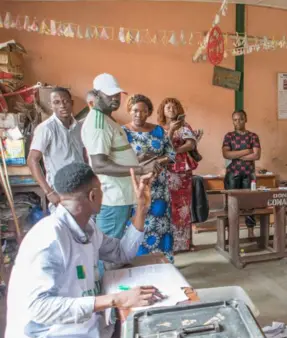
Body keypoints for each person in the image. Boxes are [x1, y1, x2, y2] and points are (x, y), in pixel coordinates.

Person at [4, 163, 163, 338]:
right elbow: (39, 308)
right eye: (101, 190)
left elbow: (122, 253)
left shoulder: (87, 228)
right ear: (92, 196)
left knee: (146, 332)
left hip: (82, 326)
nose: (104, 196)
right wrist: (115, 299)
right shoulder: (49, 238)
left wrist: (141, 209)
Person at [81, 73, 162, 240]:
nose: (115, 98)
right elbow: (99, 165)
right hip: (113, 198)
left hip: (121, 196)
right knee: (108, 248)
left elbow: (114, 156)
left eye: (117, 94)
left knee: (115, 246)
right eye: (109, 94)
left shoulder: (107, 119)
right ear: (96, 96)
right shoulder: (99, 123)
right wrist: (141, 169)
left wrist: (138, 157)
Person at [123, 94, 176, 261]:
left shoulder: (159, 131)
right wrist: (141, 162)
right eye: (135, 111)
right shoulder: (122, 132)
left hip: (159, 187)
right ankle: (138, 262)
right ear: (129, 111)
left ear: (149, 112)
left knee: (161, 223)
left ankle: (164, 262)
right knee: (138, 223)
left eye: (143, 111)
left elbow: (172, 154)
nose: (139, 114)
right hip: (136, 187)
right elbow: (120, 160)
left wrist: (158, 161)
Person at [27, 87, 85, 212]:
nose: (62, 106)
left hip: (81, 188)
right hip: (61, 192)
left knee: (84, 228)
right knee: (64, 229)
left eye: (65, 101)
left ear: (72, 103)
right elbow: (32, 160)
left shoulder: (79, 127)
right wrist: (49, 192)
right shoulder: (46, 129)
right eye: (56, 102)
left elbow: (84, 156)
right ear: (51, 106)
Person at [158, 97, 199, 252]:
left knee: (184, 206)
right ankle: (170, 244)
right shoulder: (159, 128)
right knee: (168, 206)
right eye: (168, 107)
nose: (171, 110)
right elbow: (160, 146)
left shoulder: (185, 126)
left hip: (183, 170)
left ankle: (185, 243)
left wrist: (174, 151)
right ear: (162, 111)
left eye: (174, 107)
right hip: (166, 170)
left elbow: (191, 144)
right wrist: (171, 132)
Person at [222, 110, 261, 239]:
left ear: (246, 119)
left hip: (248, 174)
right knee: (231, 203)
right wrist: (246, 151)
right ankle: (231, 233)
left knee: (249, 203)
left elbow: (256, 155)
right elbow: (226, 154)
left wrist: (236, 155)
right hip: (233, 173)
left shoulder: (253, 136)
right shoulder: (229, 136)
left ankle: (250, 231)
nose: (238, 122)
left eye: (241, 119)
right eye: (235, 119)